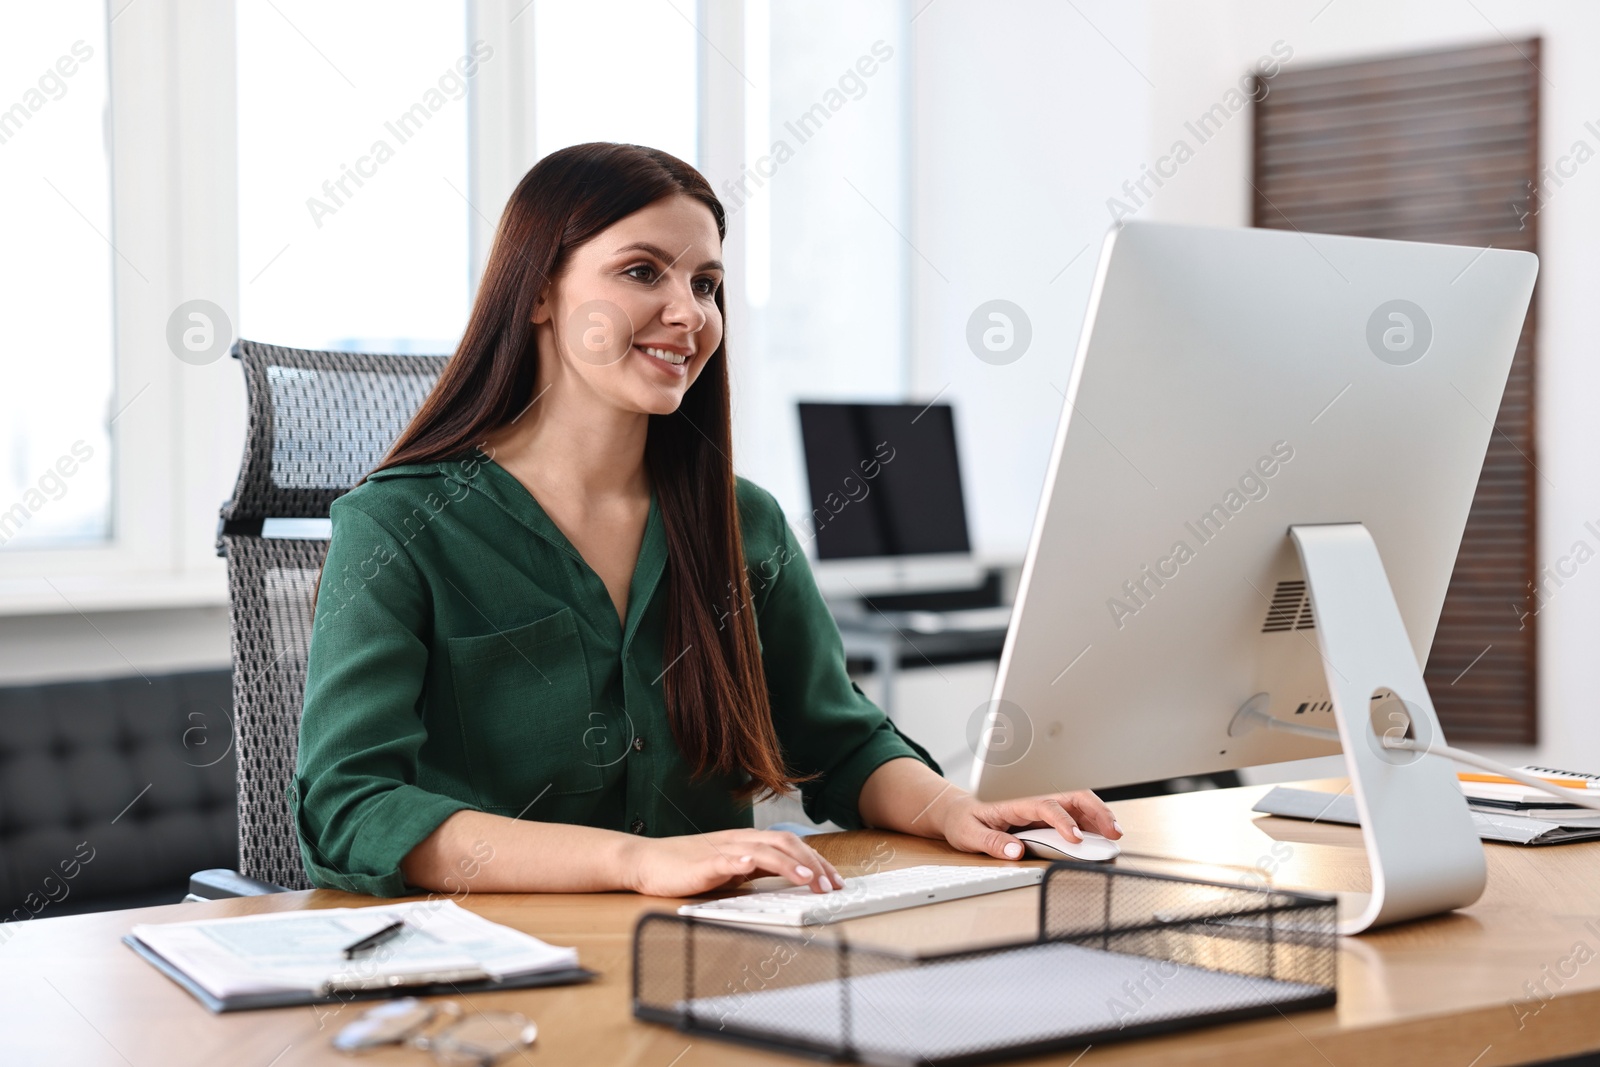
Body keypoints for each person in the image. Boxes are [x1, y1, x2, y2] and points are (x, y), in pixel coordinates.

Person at [290, 142, 1121, 899]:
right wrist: (633, 860)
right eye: (643, 271)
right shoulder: (399, 524)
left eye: (706, 284)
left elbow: (841, 740)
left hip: (713, 961)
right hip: (500, 971)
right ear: (540, 292)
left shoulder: (742, 522)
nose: (689, 312)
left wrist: (959, 807)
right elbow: (350, 807)